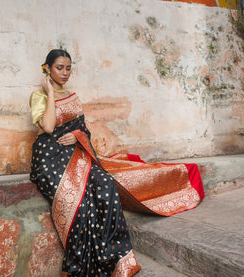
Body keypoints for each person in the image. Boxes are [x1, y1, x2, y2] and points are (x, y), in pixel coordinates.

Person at [29, 49, 205, 277]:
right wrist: (50, 93)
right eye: (59, 68)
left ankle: (115, 259)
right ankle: (80, 269)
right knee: (81, 207)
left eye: (68, 68)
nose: (64, 73)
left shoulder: (72, 95)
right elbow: (49, 127)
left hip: (76, 153)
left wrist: (76, 136)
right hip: (50, 159)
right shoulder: (40, 96)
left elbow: (83, 130)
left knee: (107, 187)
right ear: (47, 69)